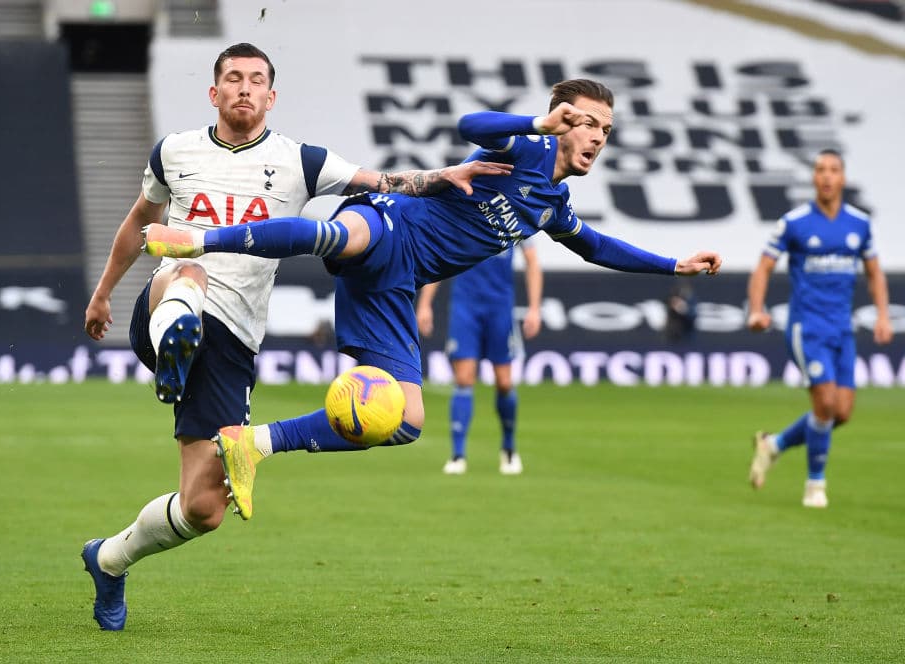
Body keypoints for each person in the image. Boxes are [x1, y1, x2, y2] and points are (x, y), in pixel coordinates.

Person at [144, 77, 722, 519]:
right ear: (563, 122)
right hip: (393, 222)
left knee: (406, 421)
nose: (597, 135)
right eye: (588, 121)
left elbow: (597, 246)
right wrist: (538, 122)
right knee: (340, 235)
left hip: (397, 284)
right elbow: (473, 122)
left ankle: (253, 444)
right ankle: (195, 240)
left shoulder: (552, 204)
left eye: (606, 128)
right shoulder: (525, 150)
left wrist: (674, 265)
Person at [79, 42, 510, 631]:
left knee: (204, 509)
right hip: (168, 298)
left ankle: (109, 559)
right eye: (233, 78)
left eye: (257, 80)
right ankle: (173, 345)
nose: (245, 88)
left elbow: (385, 180)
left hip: (233, 340)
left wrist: (445, 176)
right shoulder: (174, 150)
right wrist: (104, 292)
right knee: (188, 273)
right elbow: (140, 224)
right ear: (214, 92)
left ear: (271, 96)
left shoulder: (299, 161)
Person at [746, 149, 893, 508]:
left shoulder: (859, 224)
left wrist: (883, 315)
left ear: (843, 178)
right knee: (825, 403)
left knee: (841, 412)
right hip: (806, 327)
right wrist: (756, 309)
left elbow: (874, 272)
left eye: (833, 170)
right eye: (820, 170)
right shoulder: (794, 222)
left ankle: (774, 445)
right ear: (813, 178)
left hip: (842, 329)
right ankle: (815, 486)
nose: (826, 176)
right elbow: (764, 267)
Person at [414, 240, 542, 475]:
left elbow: (532, 261)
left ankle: (509, 447)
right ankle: (458, 454)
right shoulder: (461, 213)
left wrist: (535, 308)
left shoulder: (512, 214)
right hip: (465, 307)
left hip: (500, 308)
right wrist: (425, 305)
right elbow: (439, 258)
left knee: (504, 382)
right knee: (463, 379)